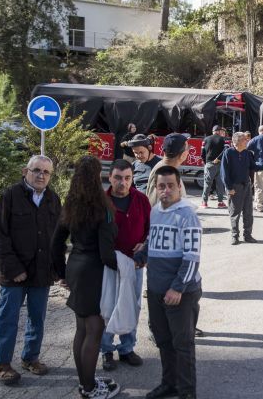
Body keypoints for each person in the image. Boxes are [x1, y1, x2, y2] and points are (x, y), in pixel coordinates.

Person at [51, 155, 120, 398]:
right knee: (94, 329)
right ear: (97, 176)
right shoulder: (102, 206)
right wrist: (126, 267)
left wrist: (62, 273)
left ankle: (85, 383)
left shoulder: (70, 203)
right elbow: (106, 252)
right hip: (93, 271)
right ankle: (90, 389)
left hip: (75, 267)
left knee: (81, 329)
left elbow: (55, 243)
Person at [0, 155, 61, 386]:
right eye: (36, 170)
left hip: (42, 272)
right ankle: (1, 365)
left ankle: (30, 358)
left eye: (46, 172)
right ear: (25, 171)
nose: (41, 175)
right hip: (14, 274)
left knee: (37, 319)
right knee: (7, 319)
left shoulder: (53, 199)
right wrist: (12, 269)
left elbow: (58, 238)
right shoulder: (10, 196)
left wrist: (60, 270)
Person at [134, 166, 202, 399]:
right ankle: (169, 383)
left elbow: (192, 257)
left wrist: (177, 288)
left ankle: (186, 392)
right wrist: (141, 257)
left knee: (182, 345)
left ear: (179, 186)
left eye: (170, 185)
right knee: (163, 341)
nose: (165, 190)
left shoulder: (187, 215)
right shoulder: (155, 211)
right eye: (161, 186)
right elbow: (152, 243)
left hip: (181, 293)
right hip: (155, 289)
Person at [100, 159, 152, 371]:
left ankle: (127, 348)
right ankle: (106, 350)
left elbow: (151, 230)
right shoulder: (101, 202)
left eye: (127, 178)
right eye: (118, 178)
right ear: (110, 178)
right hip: (108, 265)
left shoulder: (141, 200)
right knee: (107, 306)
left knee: (132, 305)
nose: (123, 182)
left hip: (134, 265)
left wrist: (145, 245)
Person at [221, 132, 257, 245]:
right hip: (234, 187)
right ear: (237, 141)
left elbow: (253, 166)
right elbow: (224, 173)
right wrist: (229, 187)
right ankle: (235, 236)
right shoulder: (228, 153)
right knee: (235, 213)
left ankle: (248, 235)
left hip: (246, 185)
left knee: (248, 212)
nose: (247, 141)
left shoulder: (247, 153)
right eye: (244, 139)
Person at [147, 133, 190, 206]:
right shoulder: (166, 175)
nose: (189, 151)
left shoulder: (164, 168)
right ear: (183, 155)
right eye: (188, 148)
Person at [201, 125, 228, 209]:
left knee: (207, 183)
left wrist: (206, 162)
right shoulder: (223, 140)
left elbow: (202, 153)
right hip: (220, 164)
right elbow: (225, 151)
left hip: (209, 164)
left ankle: (204, 202)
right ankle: (220, 202)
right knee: (220, 184)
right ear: (219, 131)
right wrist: (218, 159)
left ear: (213, 131)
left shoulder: (206, 139)